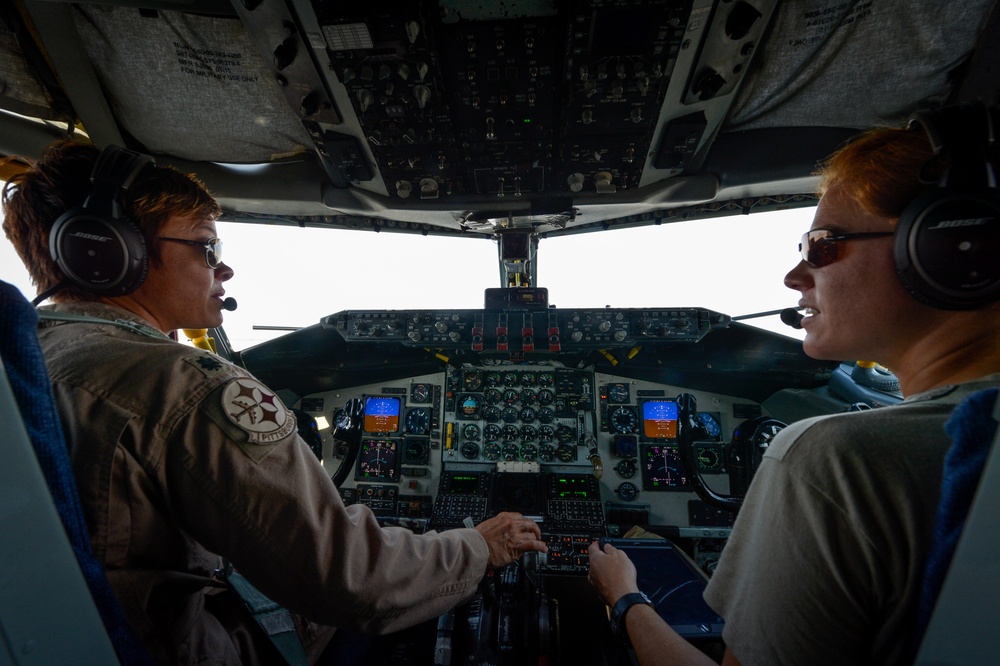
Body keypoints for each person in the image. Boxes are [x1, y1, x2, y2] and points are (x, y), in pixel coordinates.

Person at [2, 139, 547, 665]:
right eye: (206, 245)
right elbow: (354, 578)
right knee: (428, 607)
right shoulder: (184, 385)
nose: (224, 269)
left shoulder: (18, 361)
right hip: (181, 646)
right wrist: (477, 546)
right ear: (112, 251)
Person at [587, 110, 1000, 665]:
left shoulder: (832, 461)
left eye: (823, 245)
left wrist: (624, 596)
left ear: (946, 246)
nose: (794, 277)